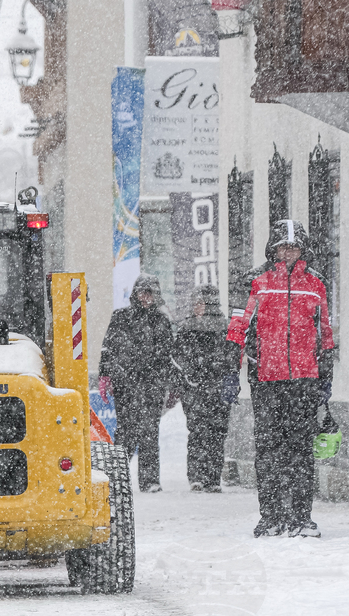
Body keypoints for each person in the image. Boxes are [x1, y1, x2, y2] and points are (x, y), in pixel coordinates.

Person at [223, 219, 334, 538]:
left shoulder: (316, 282)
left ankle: (301, 517)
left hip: (304, 379)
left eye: (294, 246)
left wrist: (325, 379)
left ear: (303, 250)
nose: (288, 252)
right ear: (273, 249)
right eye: (283, 246)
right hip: (266, 379)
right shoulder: (255, 280)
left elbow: (325, 333)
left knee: (300, 449)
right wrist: (232, 371)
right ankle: (270, 516)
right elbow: (237, 328)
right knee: (269, 448)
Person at [99, 274, 175, 493]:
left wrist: (169, 384)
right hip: (126, 384)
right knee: (126, 432)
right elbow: (108, 348)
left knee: (150, 431)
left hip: (153, 385)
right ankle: (115, 478)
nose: (145, 297)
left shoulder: (161, 321)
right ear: (135, 294)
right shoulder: (120, 317)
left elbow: (168, 355)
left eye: (150, 293)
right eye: (143, 292)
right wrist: (105, 375)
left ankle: (150, 481)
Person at [173, 285, 231, 492]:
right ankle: (196, 476)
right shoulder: (186, 327)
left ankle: (213, 478)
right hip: (194, 389)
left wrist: (217, 368)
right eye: (196, 303)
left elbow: (230, 355)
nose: (198, 307)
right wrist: (188, 374)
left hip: (217, 388)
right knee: (197, 431)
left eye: (202, 303)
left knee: (217, 433)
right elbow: (177, 356)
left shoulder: (224, 327)